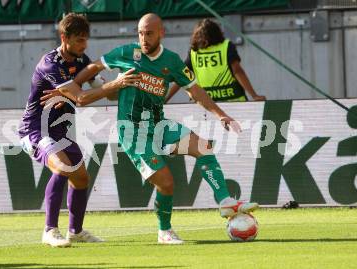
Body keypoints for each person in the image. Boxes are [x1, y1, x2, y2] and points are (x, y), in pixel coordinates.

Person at [41, 13, 259, 245]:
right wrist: (69, 88)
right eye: (140, 33)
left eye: (149, 33)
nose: (144, 38)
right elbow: (93, 67)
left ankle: (225, 200)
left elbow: (196, 91)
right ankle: (164, 231)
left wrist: (221, 114)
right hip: (132, 131)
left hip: (158, 125)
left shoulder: (173, 61)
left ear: (161, 33)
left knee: (203, 147)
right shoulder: (125, 53)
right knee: (166, 182)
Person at [18, 13, 140, 248]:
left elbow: (107, 92)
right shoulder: (50, 64)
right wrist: (111, 85)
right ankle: (50, 230)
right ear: (64, 37)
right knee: (63, 167)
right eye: (78, 40)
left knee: (81, 177)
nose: (83, 45)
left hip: (60, 132)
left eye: (85, 40)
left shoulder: (82, 61)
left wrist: (126, 78)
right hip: (35, 130)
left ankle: (75, 231)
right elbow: (82, 98)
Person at [165, 18, 266, 103]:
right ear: (217, 33)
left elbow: (181, 77)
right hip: (234, 102)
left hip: (207, 105)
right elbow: (237, 71)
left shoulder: (194, 52)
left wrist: (165, 99)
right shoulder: (226, 46)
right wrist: (254, 95)